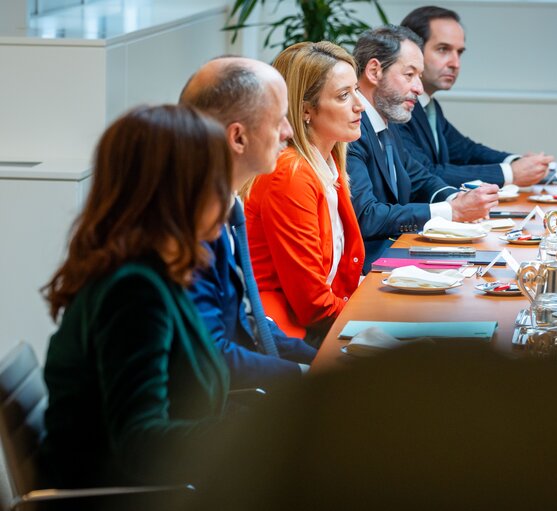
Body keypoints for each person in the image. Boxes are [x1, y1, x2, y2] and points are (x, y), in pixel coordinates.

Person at [41, 105, 233, 488]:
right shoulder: (133, 290)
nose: (228, 196)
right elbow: (141, 444)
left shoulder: (154, 271)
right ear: (180, 191)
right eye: (219, 181)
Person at [180, 57, 317, 390]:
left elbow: (248, 319)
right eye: (279, 119)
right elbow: (211, 354)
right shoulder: (189, 225)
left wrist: (323, 359)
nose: (289, 131)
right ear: (238, 138)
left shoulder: (223, 204)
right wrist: (309, 378)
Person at [243, 42, 365, 344]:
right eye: (343, 96)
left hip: (317, 323)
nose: (360, 104)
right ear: (306, 110)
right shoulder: (290, 173)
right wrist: (375, 317)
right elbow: (313, 305)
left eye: (356, 90)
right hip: (286, 336)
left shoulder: (329, 159)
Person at [349, 25, 499, 270]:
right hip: (367, 271)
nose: (419, 88)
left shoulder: (388, 122)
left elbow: (419, 177)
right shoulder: (351, 128)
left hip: (398, 255)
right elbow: (367, 216)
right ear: (374, 71)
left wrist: (457, 199)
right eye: (409, 75)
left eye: (419, 76)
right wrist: (452, 212)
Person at [397, 6, 554, 188]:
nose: (455, 63)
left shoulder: (430, 106)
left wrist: (517, 162)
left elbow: (466, 151)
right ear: (413, 51)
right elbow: (428, 173)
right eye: (443, 49)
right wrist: (512, 173)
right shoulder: (398, 107)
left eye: (459, 52)